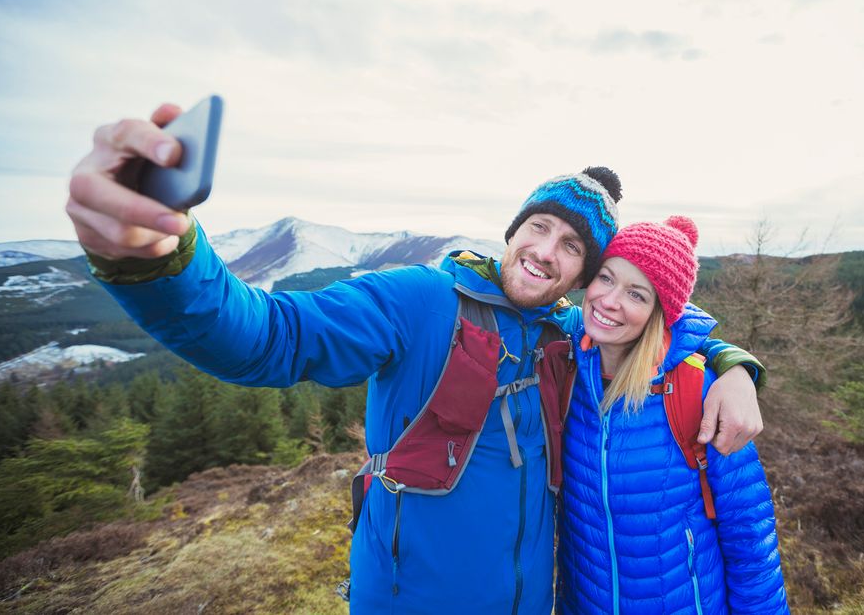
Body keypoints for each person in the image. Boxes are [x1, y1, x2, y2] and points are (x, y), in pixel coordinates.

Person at [65, 103, 768, 614]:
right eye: (538, 227)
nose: (545, 251)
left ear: (581, 276)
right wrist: (160, 262)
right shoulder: (423, 302)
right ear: (513, 231)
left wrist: (732, 363)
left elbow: (660, 317)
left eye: (571, 247)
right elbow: (273, 337)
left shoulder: (565, 337)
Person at [548, 216, 788, 614]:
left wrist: (737, 370)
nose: (609, 300)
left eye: (636, 294)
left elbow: (751, 542)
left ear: (660, 312)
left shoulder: (701, 391)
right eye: (606, 278)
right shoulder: (565, 367)